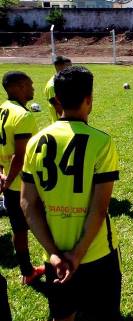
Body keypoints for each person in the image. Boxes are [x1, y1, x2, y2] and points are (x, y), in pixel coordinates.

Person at [21, 66, 122, 321]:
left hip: (54, 255)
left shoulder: (36, 142)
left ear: (56, 102)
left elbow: (27, 204)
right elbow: (99, 209)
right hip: (97, 252)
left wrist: (54, 254)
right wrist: (78, 254)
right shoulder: (101, 142)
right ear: (89, 100)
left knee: (62, 316)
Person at [0, 71, 44, 285]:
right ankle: (59, 267)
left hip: (7, 182)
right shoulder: (23, 116)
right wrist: (8, 180)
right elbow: (21, 155)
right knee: (47, 225)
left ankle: (27, 272)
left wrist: (2, 175)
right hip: (25, 185)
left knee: (18, 229)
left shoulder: (1, 110)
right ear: (17, 87)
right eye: (29, 84)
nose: (33, 87)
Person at [44, 56, 72, 122]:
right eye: (68, 67)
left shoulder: (62, 81)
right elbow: (59, 108)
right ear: (59, 67)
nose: (71, 69)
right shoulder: (53, 86)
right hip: (62, 123)